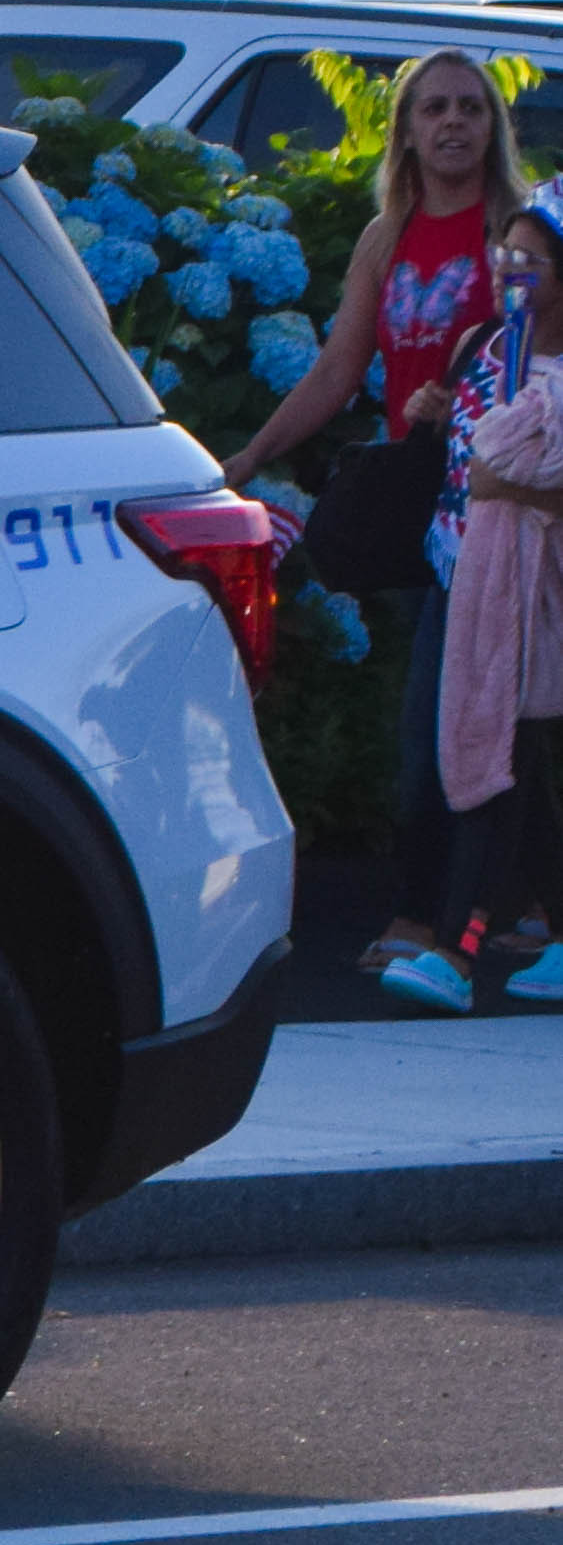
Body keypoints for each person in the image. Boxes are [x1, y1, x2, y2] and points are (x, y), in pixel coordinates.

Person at [219, 50, 529, 969]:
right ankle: (520, 911)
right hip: (411, 510)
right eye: (433, 108)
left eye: (471, 108)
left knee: (440, 723)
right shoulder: (384, 238)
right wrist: (249, 454)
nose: (453, 125)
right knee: (478, 717)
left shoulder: (513, 229)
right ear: (404, 129)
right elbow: (336, 368)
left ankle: (424, 920)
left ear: (492, 125)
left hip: (496, 512)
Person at [386, 192, 563, 1011]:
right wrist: (435, 413)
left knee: (497, 773)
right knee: (514, 774)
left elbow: (509, 473)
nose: (511, 272)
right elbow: (470, 463)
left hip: (538, 606)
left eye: (532, 260)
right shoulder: (484, 347)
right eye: (506, 255)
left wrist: (526, 487)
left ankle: (456, 954)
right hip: (464, 583)